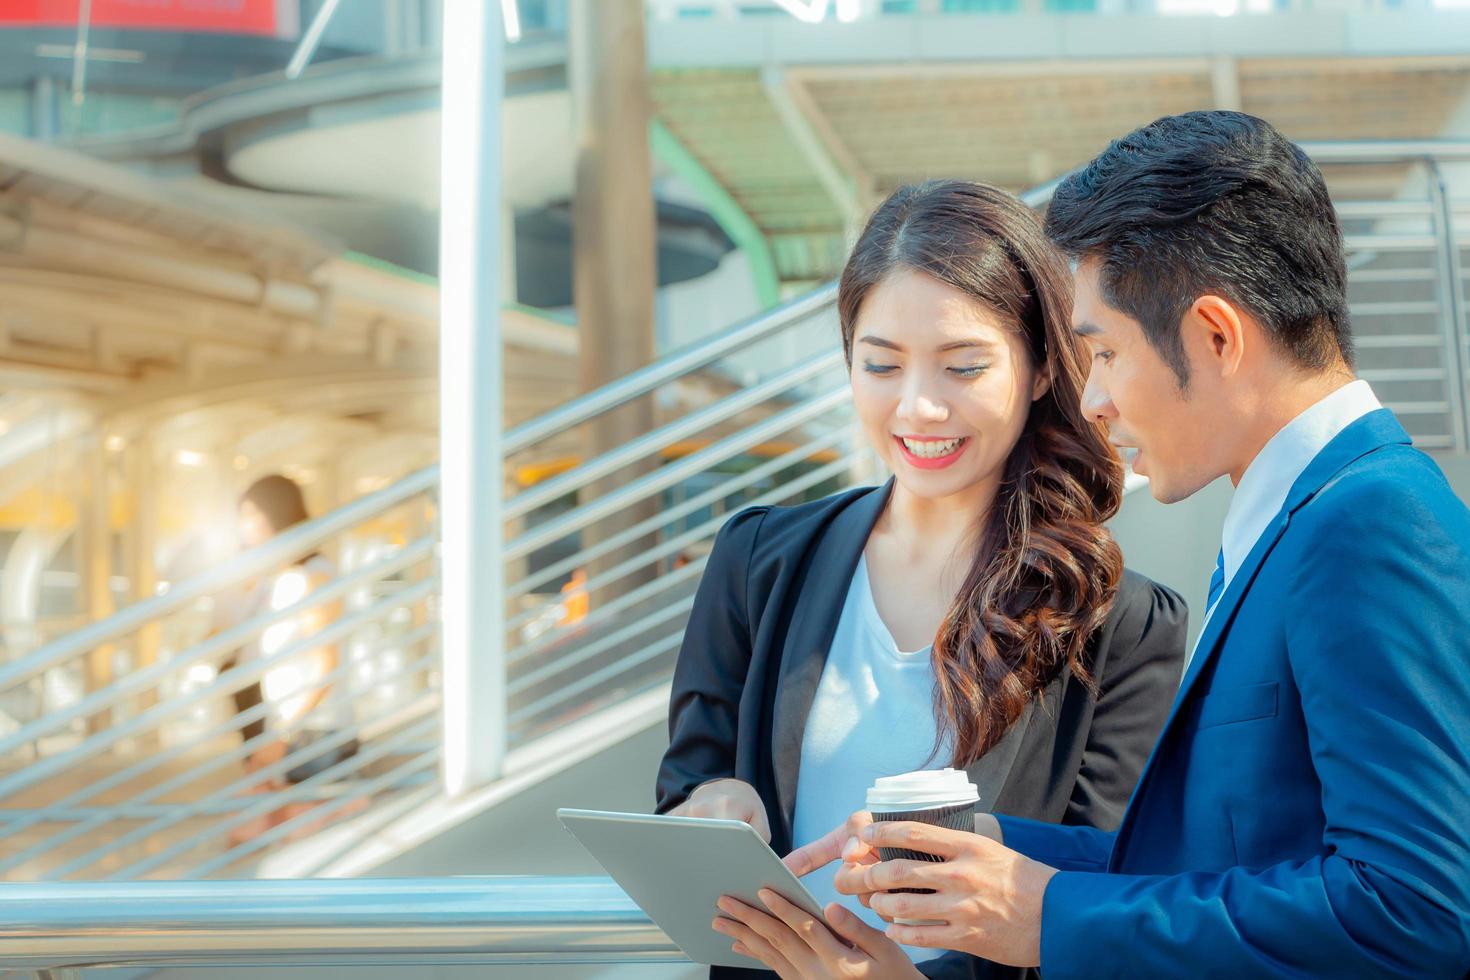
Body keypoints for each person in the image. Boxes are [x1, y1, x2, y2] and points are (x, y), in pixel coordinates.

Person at [735, 112, 1470, 979]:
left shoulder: (1371, 523)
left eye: (1108, 352)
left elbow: (1414, 907)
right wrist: (985, 849)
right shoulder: (1296, 518)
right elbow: (1221, 864)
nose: (1095, 402)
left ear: (1216, 336)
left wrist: (1046, 916)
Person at [655, 180, 1187, 979]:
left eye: (963, 366)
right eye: (881, 364)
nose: (919, 407)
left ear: (1043, 369)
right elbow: (686, 790)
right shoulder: (757, 562)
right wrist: (711, 806)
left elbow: (1111, 897)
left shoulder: (1124, 626)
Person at [222, 474, 357, 842]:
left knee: (301, 853)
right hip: (291, 732)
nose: (244, 526)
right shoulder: (281, 578)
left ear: (276, 515)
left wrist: (280, 738)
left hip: (313, 736)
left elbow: (326, 667)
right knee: (265, 844)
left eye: (251, 515)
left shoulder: (313, 577)